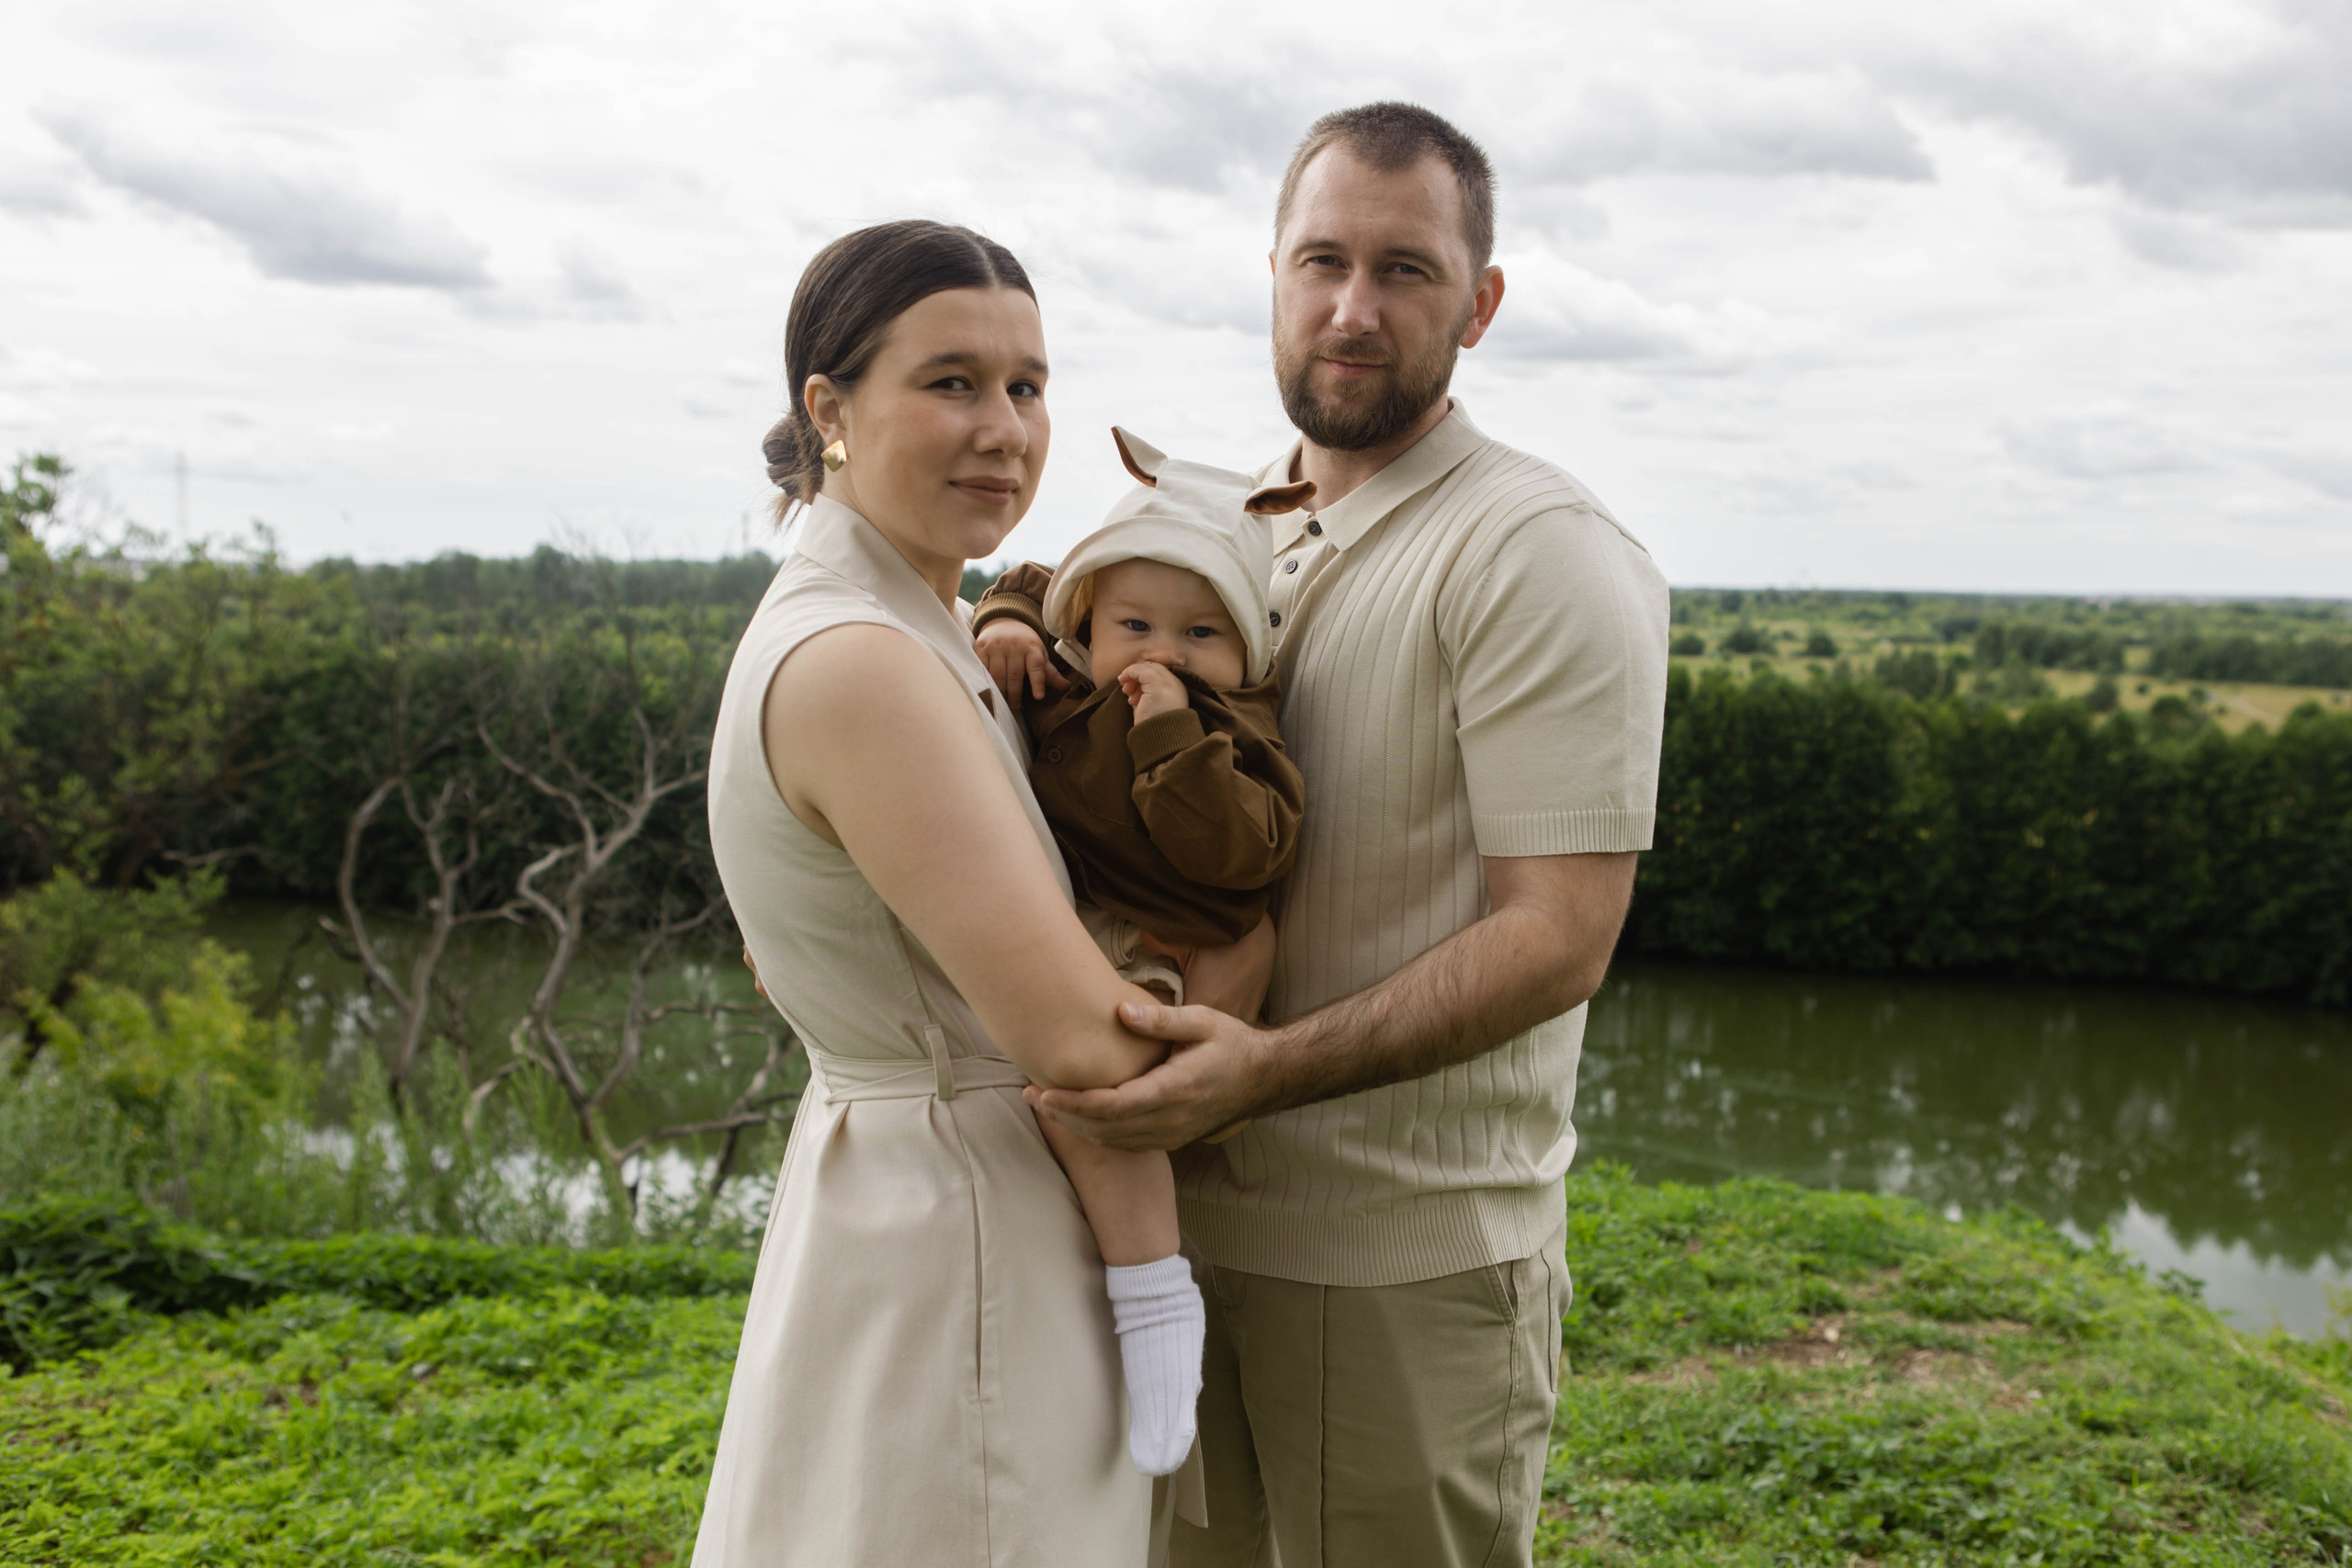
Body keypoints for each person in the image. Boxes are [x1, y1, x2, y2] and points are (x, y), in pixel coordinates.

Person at [1007, 103, 1673, 1568]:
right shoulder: (1224, 540)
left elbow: (1560, 937)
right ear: (1272, 275)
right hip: (1169, 1243)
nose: (1352, 310)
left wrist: (1256, 1076)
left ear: (1481, 303)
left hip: (1400, 1271)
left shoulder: (1538, 552)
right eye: (1322, 262)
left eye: (1407, 271)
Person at [693, 220, 1233, 1567]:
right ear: (830, 408)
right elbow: (1075, 1041)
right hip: (961, 1242)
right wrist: (1247, 1000)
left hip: (919, 1198)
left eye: (1029, 386)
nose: (1004, 429)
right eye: (950, 383)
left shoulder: (915, 618)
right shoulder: (863, 660)